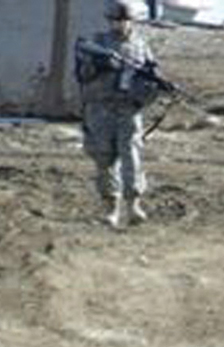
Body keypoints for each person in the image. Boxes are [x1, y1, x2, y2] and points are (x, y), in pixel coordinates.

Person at [74, 0, 161, 229]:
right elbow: (82, 74)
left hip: (128, 110)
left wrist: (147, 94)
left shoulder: (141, 46)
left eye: (123, 21)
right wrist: (100, 65)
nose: (118, 25)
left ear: (130, 21)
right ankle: (111, 208)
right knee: (104, 159)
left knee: (131, 157)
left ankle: (133, 206)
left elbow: (152, 78)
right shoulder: (97, 43)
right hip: (100, 109)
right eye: (114, 20)